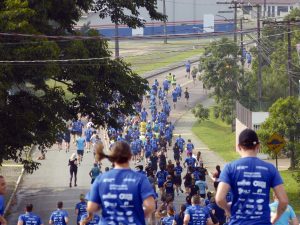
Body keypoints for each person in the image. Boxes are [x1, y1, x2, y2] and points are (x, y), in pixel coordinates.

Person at [216, 129, 288, 225]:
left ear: (238, 146)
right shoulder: (270, 169)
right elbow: (283, 201)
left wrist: (228, 209)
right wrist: (275, 219)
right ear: (258, 146)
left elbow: (219, 198)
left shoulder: (230, 168)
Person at [83, 141, 156, 225]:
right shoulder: (140, 179)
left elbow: (91, 207)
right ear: (130, 156)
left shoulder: (100, 179)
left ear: (112, 157)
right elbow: (150, 206)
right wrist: (140, 215)